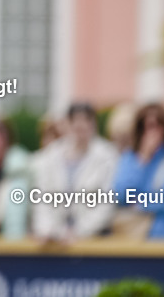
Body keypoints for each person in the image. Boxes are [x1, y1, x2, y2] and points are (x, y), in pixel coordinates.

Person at [31, 103, 117, 243]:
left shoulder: (107, 156)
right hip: (54, 239)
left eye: (86, 121)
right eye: (76, 121)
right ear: (68, 124)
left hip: (93, 238)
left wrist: (79, 232)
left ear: (94, 124)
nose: (81, 126)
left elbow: (107, 203)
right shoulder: (52, 155)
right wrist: (47, 230)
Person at [112, 103, 164, 239]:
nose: (151, 133)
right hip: (135, 237)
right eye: (145, 127)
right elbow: (121, 194)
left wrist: (141, 204)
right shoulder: (130, 158)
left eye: (156, 126)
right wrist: (142, 160)